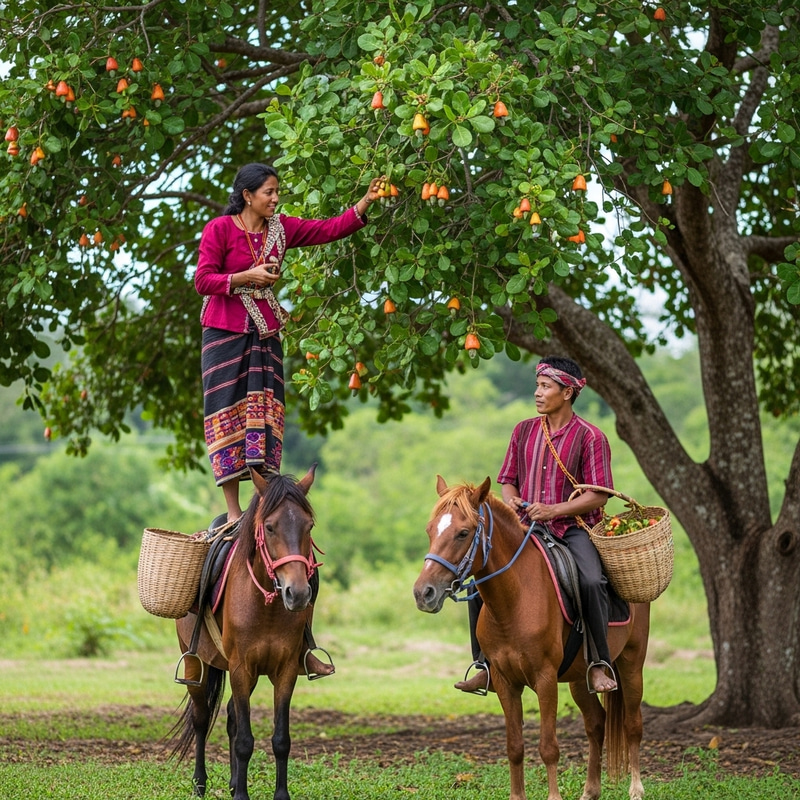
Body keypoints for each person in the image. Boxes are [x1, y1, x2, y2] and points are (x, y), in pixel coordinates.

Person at [195, 162, 385, 678]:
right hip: (226, 334)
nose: (276, 199)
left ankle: (264, 506)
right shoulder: (219, 230)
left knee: (264, 420)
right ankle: (235, 511)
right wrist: (244, 279)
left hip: (266, 336)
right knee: (229, 418)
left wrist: (364, 204)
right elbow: (202, 280)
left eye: (278, 192)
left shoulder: (282, 229)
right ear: (247, 195)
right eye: (270, 192)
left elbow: (327, 229)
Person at [455, 355, 618, 695]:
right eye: (537, 385)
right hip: (525, 528)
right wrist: (513, 500)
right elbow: (508, 480)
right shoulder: (524, 430)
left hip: (573, 529)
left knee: (590, 580)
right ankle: (483, 664)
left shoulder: (592, 437)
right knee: (478, 583)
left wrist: (555, 509)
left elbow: (598, 496)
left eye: (546, 386)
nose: (538, 393)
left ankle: (598, 662)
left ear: (568, 392)